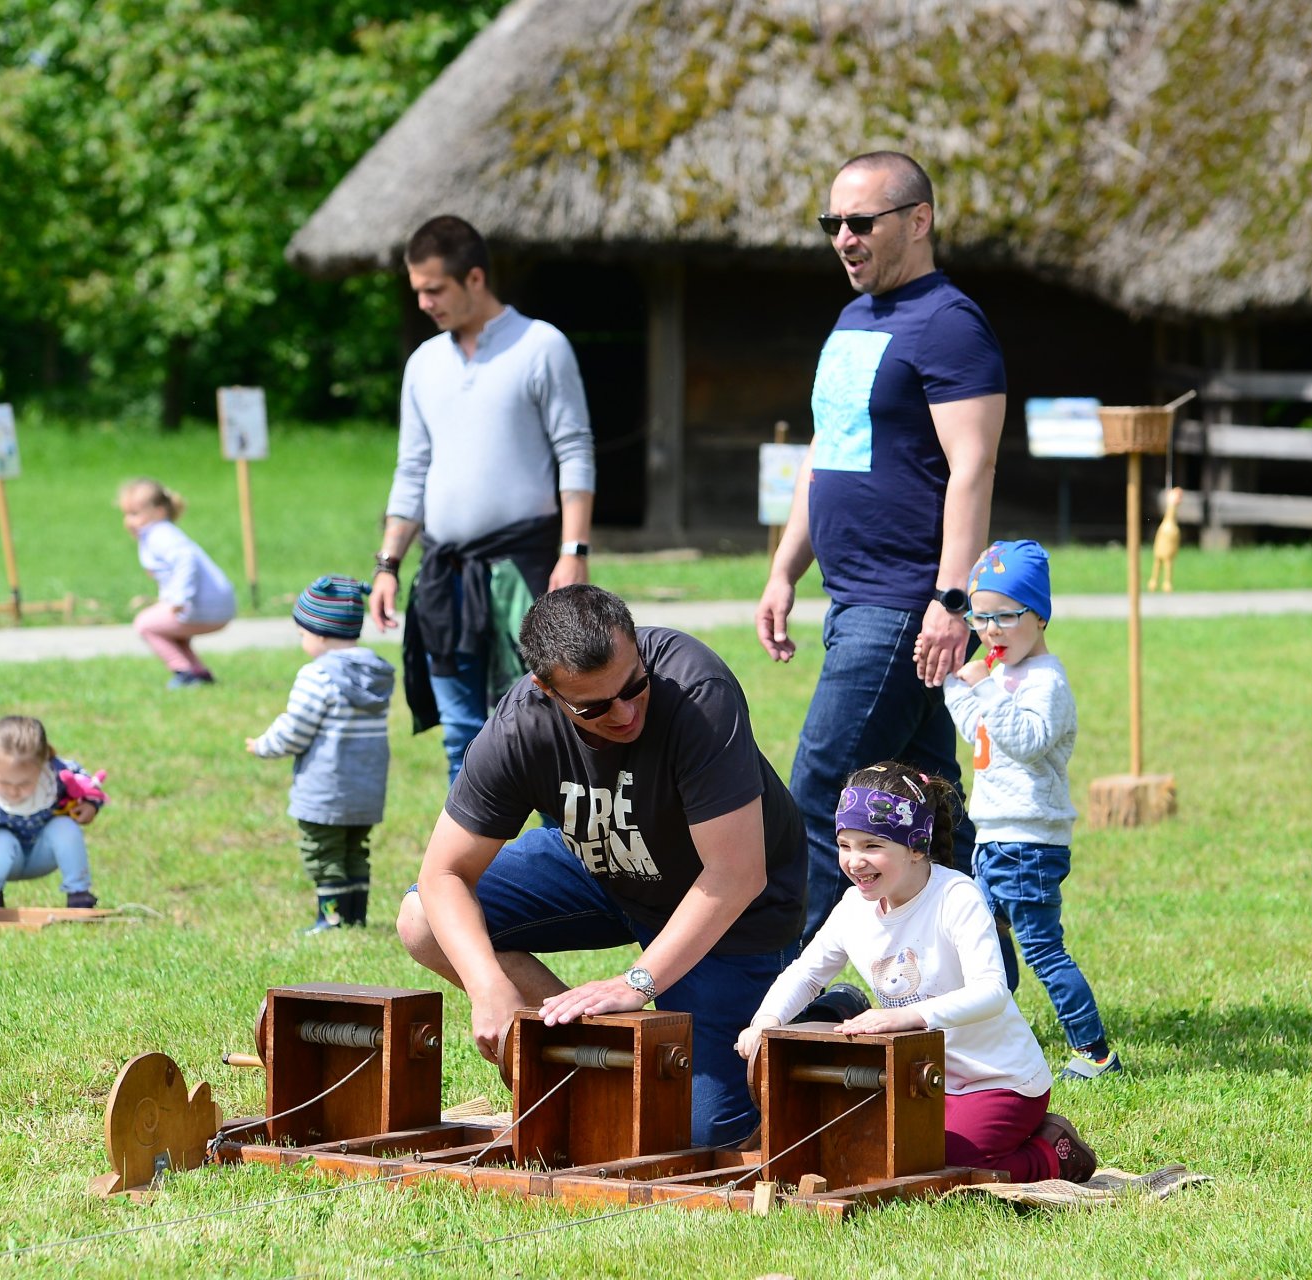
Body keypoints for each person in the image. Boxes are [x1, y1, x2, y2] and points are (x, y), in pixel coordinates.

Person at [397, 585, 806, 1148]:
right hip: (604, 866)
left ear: (637, 648)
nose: (626, 712)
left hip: (731, 910)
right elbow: (443, 875)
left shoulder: (696, 690)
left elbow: (736, 874)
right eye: (594, 707)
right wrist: (488, 985)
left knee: (701, 1138)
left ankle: (811, 1019)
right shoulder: (521, 723)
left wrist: (635, 982)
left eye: (634, 687)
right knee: (423, 920)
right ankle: (583, 1074)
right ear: (546, 690)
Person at [754, 150, 1008, 948]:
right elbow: (826, 452)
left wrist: (951, 600)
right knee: (932, 807)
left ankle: (797, 1005)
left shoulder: (951, 324)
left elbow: (974, 467)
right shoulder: (852, 320)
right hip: (853, 599)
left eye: (861, 222)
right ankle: (988, 984)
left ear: (918, 220)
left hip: (903, 606)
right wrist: (784, 569)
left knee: (821, 793)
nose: (843, 238)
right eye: (833, 223)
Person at [736, 763, 1098, 1183]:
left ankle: (1053, 1152)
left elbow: (992, 991)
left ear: (916, 847)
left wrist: (904, 1016)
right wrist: (766, 1021)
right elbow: (806, 974)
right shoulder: (854, 908)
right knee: (880, 1154)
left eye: (872, 845)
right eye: (845, 844)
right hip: (920, 1079)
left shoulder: (955, 896)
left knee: (942, 1172)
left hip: (997, 1078)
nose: (855, 861)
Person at [367, 215, 596, 784]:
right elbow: (412, 467)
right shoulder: (424, 364)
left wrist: (574, 549)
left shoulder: (541, 346)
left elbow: (575, 450)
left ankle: (558, 869)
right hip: (445, 577)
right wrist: (388, 563)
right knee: (460, 738)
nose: (422, 302)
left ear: (474, 278)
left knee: (549, 732)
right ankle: (465, 876)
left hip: (526, 569)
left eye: (433, 289)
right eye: (416, 289)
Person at [946, 539, 1121, 1080]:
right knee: (987, 947)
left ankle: (1094, 1052)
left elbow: (1025, 739)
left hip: (1030, 842)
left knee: (1043, 950)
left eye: (1005, 617)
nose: (991, 631)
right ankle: (998, 1036)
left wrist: (987, 691)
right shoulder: (999, 675)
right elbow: (979, 734)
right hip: (992, 836)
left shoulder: (1047, 680)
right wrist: (956, 684)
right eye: (981, 618)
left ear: (1039, 616)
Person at [246, 576, 396, 934]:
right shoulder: (374, 672)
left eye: (302, 634)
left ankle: (330, 919)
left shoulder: (317, 675)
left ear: (321, 633)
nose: (302, 641)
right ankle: (355, 917)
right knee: (355, 850)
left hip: (326, 787)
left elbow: (296, 728)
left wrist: (263, 745)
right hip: (366, 789)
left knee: (322, 852)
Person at [0, 715, 103, 909]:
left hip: (43, 855)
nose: (13, 791)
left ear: (44, 764)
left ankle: (79, 896)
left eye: (24, 783)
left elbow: (87, 783)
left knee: (65, 827)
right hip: (3, 862)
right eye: (4, 782)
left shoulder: (56, 777)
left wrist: (91, 805)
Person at [119, 478, 236, 688]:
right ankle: (200, 673)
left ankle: (184, 672)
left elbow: (185, 558)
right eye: (126, 514)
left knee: (145, 625)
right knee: (168, 630)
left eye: (135, 514)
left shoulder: (159, 534)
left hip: (204, 605)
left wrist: (180, 597)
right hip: (220, 603)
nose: (129, 521)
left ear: (160, 511)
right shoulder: (160, 533)